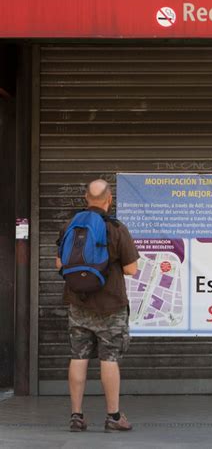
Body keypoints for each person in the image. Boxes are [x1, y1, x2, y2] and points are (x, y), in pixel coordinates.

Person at [56, 179, 139, 432]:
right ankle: (113, 417)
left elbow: (60, 265)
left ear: (85, 198)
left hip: (78, 304)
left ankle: (76, 416)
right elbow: (131, 269)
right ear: (109, 199)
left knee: (78, 357)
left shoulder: (70, 225)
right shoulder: (116, 228)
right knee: (109, 359)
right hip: (110, 306)